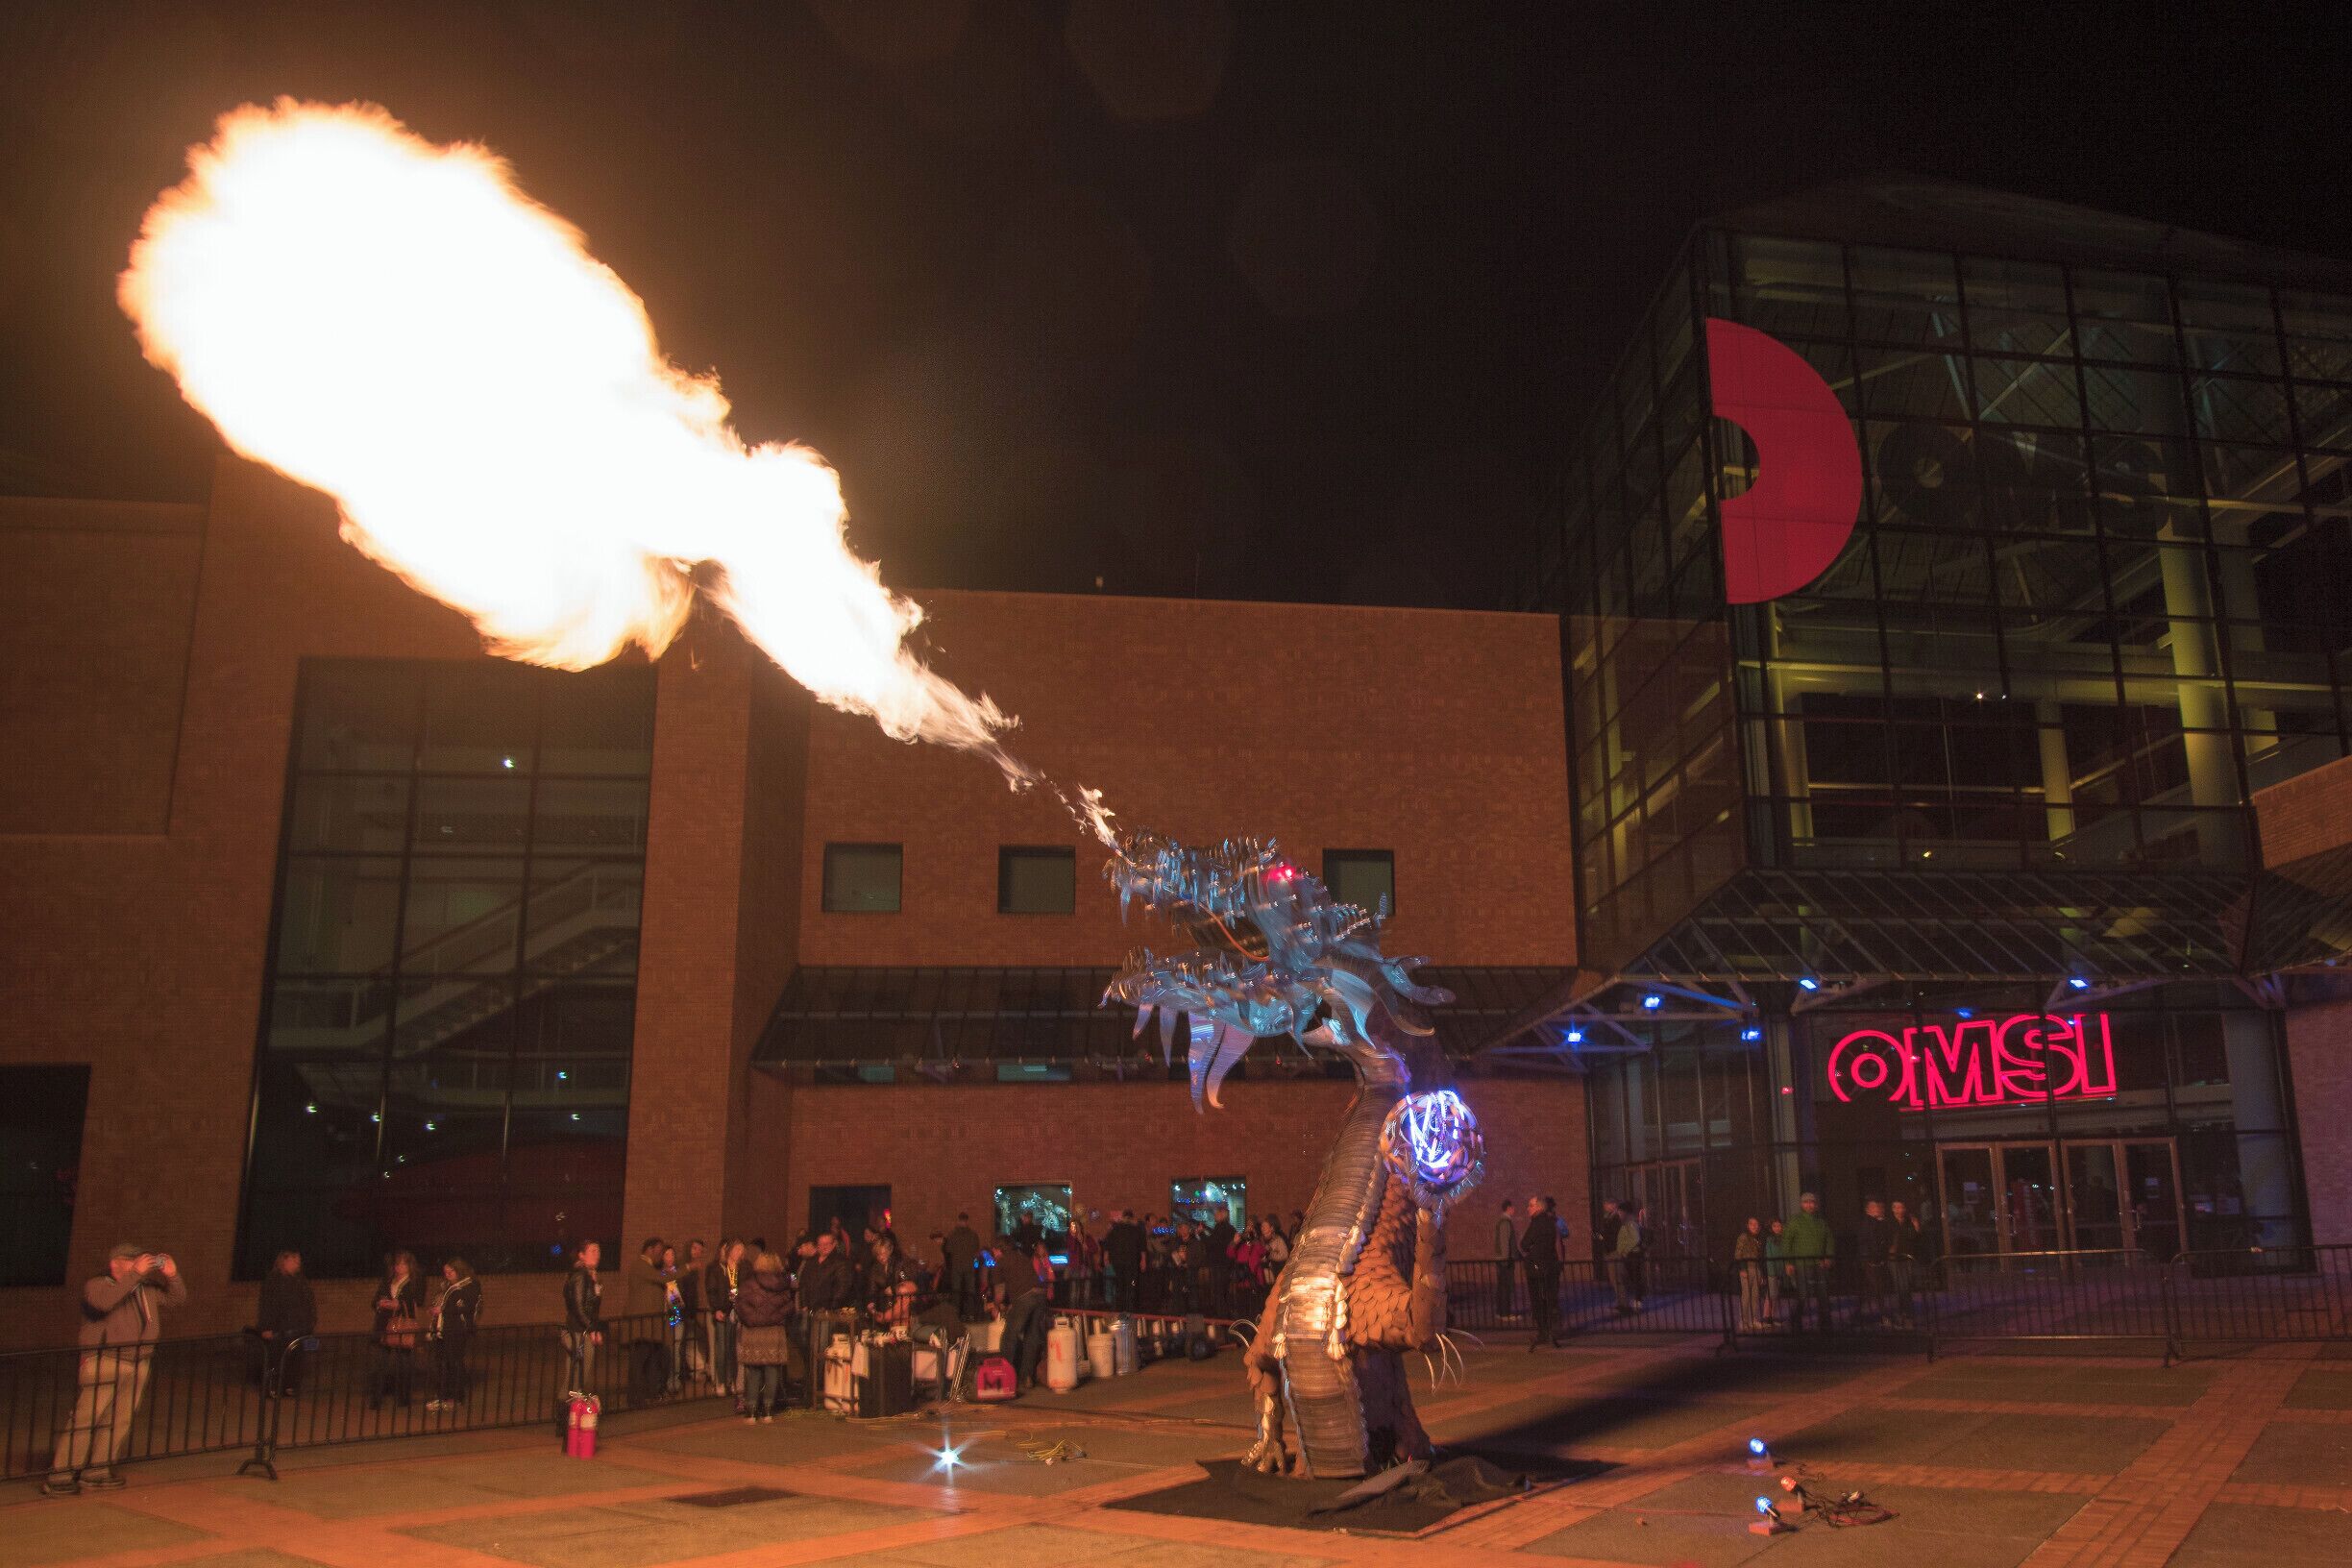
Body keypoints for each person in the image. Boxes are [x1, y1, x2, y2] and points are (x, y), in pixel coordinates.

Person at [44, 1244, 185, 1497]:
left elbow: (177, 1299)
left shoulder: (145, 1289)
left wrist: (172, 1275)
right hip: (105, 1360)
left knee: (120, 1419)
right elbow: (104, 1304)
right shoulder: (98, 1285)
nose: (137, 1264)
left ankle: (97, 1470)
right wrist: (135, 1276)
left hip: (139, 1361)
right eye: (131, 1260)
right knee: (86, 1418)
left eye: (139, 1260)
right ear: (115, 1263)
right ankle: (61, 1474)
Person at [796, 1230, 858, 1409]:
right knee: (809, 1349)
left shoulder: (839, 1263)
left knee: (821, 1350)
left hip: (826, 1312)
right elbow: (804, 1285)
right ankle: (810, 1389)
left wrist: (831, 1305)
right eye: (820, 1244)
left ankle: (820, 1390)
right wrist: (806, 1303)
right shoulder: (811, 1263)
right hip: (811, 1312)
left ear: (833, 1245)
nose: (823, 1248)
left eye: (826, 1244)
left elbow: (842, 1286)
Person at [733, 1249, 794, 1422]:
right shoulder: (782, 1284)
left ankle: (751, 1411)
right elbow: (789, 1307)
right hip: (774, 1332)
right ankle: (768, 1410)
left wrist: (751, 1320)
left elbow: (740, 1305)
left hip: (753, 1332)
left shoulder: (748, 1284)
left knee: (753, 1371)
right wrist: (776, 1318)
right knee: (772, 1370)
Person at [993, 1237, 1054, 1389]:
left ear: (998, 1250)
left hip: (1025, 1297)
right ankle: (1026, 1377)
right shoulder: (1022, 1256)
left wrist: (997, 1306)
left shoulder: (1001, 1262)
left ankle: (1005, 1377)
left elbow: (1000, 1293)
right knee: (1031, 1336)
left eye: (993, 1251)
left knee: (1009, 1336)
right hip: (1040, 1295)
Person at [254, 1249, 315, 1397]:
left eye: (298, 1261)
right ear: (284, 1261)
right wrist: (266, 1327)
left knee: (296, 1360)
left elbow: (309, 1303)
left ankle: (289, 1386)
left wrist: (311, 1322)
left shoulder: (301, 1281)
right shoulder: (273, 1281)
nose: (297, 1264)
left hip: (300, 1329)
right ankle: (271, 1388)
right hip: (280, 1329)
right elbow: (267, 1305)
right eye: (294, 1260)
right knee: (276, 1359)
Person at [371, 1251, 425, 1409]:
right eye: (397, 1264)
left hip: (403, 1326)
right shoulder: (387, 1281)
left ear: (409, 1266)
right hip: (384, 1325)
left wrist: (399, 1304)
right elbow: (374, 1301)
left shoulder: (414, 1281)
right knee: (379, 1363)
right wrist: (380, 1303)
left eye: (403, 1264)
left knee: (404, 1364)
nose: (399, 1267)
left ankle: (403, 1399)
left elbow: (419, 1300)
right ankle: (376, 1399)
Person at [426, 1258, 481, 1410]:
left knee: (454, 1363)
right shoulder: (446, 1286)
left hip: (457, 1330)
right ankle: (441, 1396)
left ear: (459, 1270)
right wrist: (435, 1309)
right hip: (442, 1328)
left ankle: (455, 1397)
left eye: (451, 1271)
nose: (448, 1274)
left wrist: (443, 1310)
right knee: (441, 1364)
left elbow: (467, 1307)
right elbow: (440, 1302)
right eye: (445, 1272)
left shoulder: (469, 1285)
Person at [1783, 1191, 1836, 1332]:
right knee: (1802, 1294)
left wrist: (1829, 1257)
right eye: (1806, 1202)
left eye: (1812, 1202)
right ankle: (1795, 1321)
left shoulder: (1821, 1222)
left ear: (1816, 1205)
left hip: (1819, 1264)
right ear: (1801, 1204)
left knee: (1823, 1294)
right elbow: (1786, 1242)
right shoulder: (1795, 1221)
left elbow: (1829, 1240)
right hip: (1802, 1265)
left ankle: (1825, 1322)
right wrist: (1788, 1263)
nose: (1809, 1205)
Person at [1519, 1196, 1561, 1349]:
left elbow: (1524, 1244)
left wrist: (1530, 1251)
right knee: (1550, 1299)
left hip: (1536, 1268)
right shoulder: (1552, 1222)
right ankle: (1550, 1331)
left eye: (1531, 1205)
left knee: (1537, 1300)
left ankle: (1543, 1331)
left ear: (1538, 1208)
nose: (1528, 1208)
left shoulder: (1536, 1223)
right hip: (1550, 1266)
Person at [563, 1240, 605, 1396]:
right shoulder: (580, 1276)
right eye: (592, 1251)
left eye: (598, 1251)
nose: (597, 1254)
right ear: (582, 1255)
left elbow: (593, 1306)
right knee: (575, 1376)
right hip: (578, 1331)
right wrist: (592, 1329)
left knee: (581, 1375)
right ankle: (567, 1411)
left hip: (584, 1330)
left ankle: (575, 1411)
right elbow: (578, 1307)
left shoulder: (592, 1277)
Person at [705, 1237, 743, 1397]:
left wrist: (734, 1304)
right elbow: (712, 1290)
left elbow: (734, 1289)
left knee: (732, 1348)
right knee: (721, 1348)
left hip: (733, 1311)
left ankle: (731, 1380)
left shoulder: (735, 1268)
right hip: (721, 1311)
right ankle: (720, 1381)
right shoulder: (714, 1269)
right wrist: (716, 1308)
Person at [869, 1233, 923, 1327]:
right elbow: (872, 1289)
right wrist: (871, 1303)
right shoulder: (875, 1269)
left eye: (883, 1254)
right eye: (878, 1255)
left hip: (900, 1304)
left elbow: (908, 1284)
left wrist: (893, 1289)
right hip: (884, 1304)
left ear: (889, 1251)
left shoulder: (899, 1264)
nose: (881, 1257)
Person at [1856, 1200, 1893, 1327]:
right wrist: (1869, 1259)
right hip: (1871, 1261)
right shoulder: (1867, 1224)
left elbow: (1884, 1239)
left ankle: (1861, 1314)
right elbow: (1866, 1242)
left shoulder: (1880, 1223)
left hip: (1878, 1260)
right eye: (1873, 1207)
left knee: (1874, 1288)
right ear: (1868, 1210)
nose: (1876, 1209)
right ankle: (1884, 1315)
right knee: (1877, 1288)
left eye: (1877, 1206)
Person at [1887, 1201, 1923, 1328]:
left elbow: (1913, 1237)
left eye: (1901, 1207)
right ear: (1892, 1209)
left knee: (1906, 1286)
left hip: (1906, 1257)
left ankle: (1907, 1315)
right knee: (1899, 1287)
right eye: (1896, 1207)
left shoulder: (1908, 1221)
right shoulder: (1889, 1223)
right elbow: (1886, 1238)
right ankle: (1902, 1313)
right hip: (1894, 1259)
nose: (1898, 1209)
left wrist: (1916, 1227)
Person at [942, 1213, 982, 1320]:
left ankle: (956, 1313)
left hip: (957, 1266)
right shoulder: (973, 1235)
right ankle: (971, 1314)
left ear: (959, 1221)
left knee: (956, 1291)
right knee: (970, 1291)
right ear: (967, 1221)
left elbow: (948, 1250)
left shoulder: (953, 1235)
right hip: (969, 1266)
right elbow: (976, 1250)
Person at [1103, 1210, 1144, 1311]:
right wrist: (1143, 1260)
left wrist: (1106, 1258)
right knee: (1131, 1284)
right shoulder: (1137, 1230)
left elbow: (1108, 1244)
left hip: (1118, 1262)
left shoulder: (1115, 1229)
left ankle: (1120, 1307)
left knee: (1119, 1284)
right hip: (1131, 1262)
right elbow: (1142, 1247)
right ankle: (1129, 1307)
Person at [680, 1239, 709, 1383]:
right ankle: (682, 1372)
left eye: (700, 1250)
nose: (697, 1253)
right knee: (679, 1341)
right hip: (679, 1312)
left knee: (689, 1340)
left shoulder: (696, 1269)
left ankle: (690, 1369)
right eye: (695, 1248)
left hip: (691, 1311)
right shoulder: (683, 1267)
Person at [1732, 1217, 1767, 1333]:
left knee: (1755, 1295)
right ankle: (1744, 1321)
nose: (1755, 1226)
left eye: (1756, 1224)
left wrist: (1761, 1273)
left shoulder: (1758, 1239)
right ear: (1748, 1225)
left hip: (1756, 1269)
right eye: (1752, 1224)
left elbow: (1760, 1257)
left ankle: (1753, 1319)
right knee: (1746, 1295)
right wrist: (1742, 1268)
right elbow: (1738, 1253)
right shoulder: (1743, 1237)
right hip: (1747, 1269)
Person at [1608, 1201, 1643, 1314]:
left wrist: (1624, 1251)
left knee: (1635, 1279)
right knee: (1632, 1279)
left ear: (1624, 1212)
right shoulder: (1626, 1223)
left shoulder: (1630, 1224)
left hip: (1632, 1255)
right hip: (1629, 1255)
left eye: (1620, 1211)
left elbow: (1635, 1239)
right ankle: (1634, 1303)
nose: (1618, 1213)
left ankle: (1637, 1303)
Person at [1205, 1205, 1238, 1317]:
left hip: (1219, 1264)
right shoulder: (1229, 1229)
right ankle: (1223, 1314)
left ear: (1223, 1215)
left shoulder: (1220, 1229)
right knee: (1222, 1290)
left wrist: (1202, 1235)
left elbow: (1212, 1243)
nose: (1215, 1215)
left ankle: (1221, 1315)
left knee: (1218, 1290)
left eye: (1217, 1214)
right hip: (1225, 1264)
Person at [1493, 1200, 1519, 1320]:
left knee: (1503, 1286)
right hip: (1505, 1260)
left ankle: (1502, 1312)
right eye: (1513, 1207)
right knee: (1505, 1286)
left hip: (1503, 1259)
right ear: (1509, 1208)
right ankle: (1505, 1313)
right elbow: (1505, 1241)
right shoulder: (1505, 1222)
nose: (1514, 1210)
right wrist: (1506, 1258)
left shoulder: (1503, 1221)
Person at [1762, 1219, 1787, 1328]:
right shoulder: (1770, 1240)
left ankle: (1772, 1317)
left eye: (1779, 1226)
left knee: (1775, 1295)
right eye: (1775, 1226)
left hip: (1780, 1270)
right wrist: (1772, 1271)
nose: (1777, 1228)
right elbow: (1769, 1256)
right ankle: (1767, 1317)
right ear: (1772, 1228)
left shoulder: (1783, 1239)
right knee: (1771, 1295)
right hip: (1772, 1271)